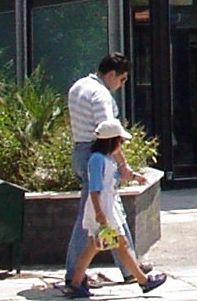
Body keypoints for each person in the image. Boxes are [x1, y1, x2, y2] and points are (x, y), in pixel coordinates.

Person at [65, 53, 149, 287]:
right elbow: (109, 134)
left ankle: (130, 267)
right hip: (97, 154)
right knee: (91, 217)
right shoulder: (101, 95)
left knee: (113, 212)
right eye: (121, 79)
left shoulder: (78, 86)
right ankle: (74, 273)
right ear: (111, 74)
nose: (121, 85)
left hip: (80, 150)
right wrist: (123, 165)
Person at [65, 118, 167, 298]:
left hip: (105, 206)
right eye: (119, 141)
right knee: (118, 244)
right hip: (104, 207)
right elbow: (95, 189)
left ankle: (76, 283)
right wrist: (99, 213)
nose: (121, 144)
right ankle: (143, 281)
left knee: (95, 245)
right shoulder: (98, 160)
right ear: (112, 141)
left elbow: (113, 178)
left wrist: (134, 176)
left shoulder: (104, 158)